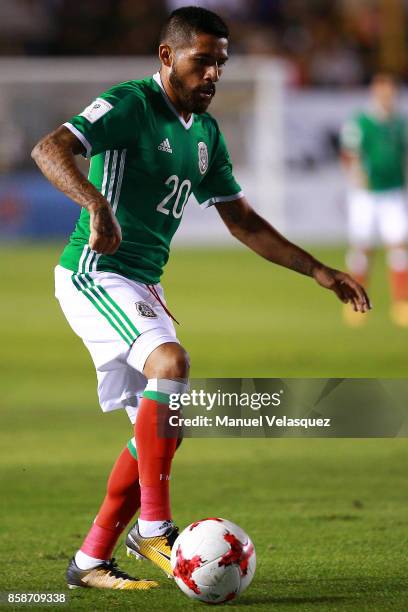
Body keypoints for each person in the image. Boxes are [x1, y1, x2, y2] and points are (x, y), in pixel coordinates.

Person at [31, 6, 370, 592]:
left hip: (143, 281)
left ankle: (90, 559)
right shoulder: (131, 104)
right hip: (96, 269)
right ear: (168, 57)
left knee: (161, 427)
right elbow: (49, 149)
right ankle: (156, 528)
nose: (213, 73)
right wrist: (95, 203)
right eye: (202, 60)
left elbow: (241, 220)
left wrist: (316, 269)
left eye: (221, 63)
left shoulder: (207, 135)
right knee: (171, 364)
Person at [341, 73, 408, 326]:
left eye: (391, 92)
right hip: (365, 195)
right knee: (362, 248)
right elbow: (348, 153)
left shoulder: (400, 123)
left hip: (393, 192)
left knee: (399, 246)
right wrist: (355, 175)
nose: (387, 96)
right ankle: (355, 302)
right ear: (375, 93)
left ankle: (402, 303)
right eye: (383, 91)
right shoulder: (361, 122)